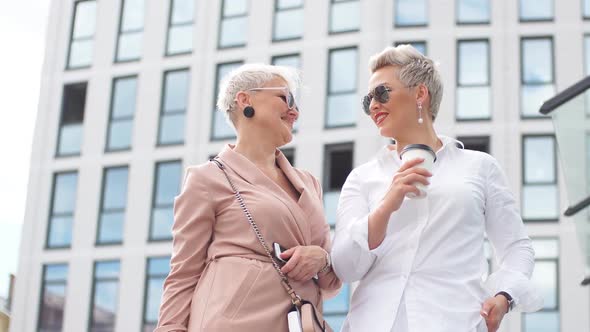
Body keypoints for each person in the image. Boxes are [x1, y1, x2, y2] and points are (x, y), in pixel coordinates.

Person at [331, 45, 542, 332]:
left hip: (455, 322)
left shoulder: (480, 167)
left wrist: (505, 296)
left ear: (420, 94)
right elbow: (345, 267)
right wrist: (386, 206)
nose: (373, 106)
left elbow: (517, 247)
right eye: (367, 99)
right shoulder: (362, 178)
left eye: (381, 93)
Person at [155, 64, 341, 331]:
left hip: (298, 322)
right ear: (245, 100)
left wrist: (321, 259)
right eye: (285, 98)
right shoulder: (207, 178)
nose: (295, 111)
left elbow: (332, 283)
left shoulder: (309, 183)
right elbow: (183, 274)